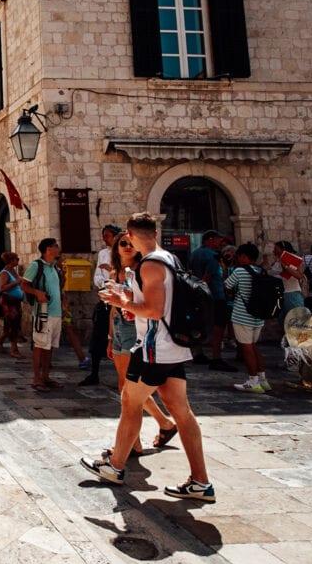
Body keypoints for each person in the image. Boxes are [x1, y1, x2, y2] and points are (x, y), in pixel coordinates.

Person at [81, 212, 215, 503]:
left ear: (129, 234)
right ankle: (200, 482)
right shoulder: (169, 258)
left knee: (130, 402)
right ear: (156, 231)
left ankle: (115, 466)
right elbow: (157, 307)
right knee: (181, 412)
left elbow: (154, 311)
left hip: (153, 349)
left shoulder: (151, 265)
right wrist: (130, 305)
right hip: (171, 348)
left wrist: (121, 301)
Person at [106, 231, 177, 453]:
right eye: (122, 244)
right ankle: (162, 425)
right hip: (119, 327)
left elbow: (148, 303)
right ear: (116, 248)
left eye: (130, 243)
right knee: (123, 385)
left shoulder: (141, 271)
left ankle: (132, 445)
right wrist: (110, 337)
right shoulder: (115, 272)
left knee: (129, 388)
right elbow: (113, 309)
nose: (127, 247)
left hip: (134, 327)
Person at [224, 243, 271, 394]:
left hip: (242, 314)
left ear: (244, 256)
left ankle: (253, 381)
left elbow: (227, 285)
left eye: (239, 256)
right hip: (258, 316)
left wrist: (225, 269)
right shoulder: (261, 271)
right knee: (254, 347)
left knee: (246, 349)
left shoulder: (240, 271)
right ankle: (263, 380)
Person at [187, 230, 237, 372]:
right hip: (214, 295)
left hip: (197, 294)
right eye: (217, 240)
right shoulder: (213, 256)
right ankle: (216, 358)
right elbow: (208, 277)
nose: (219, 243)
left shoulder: (195, 254)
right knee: (218, 327)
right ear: (209, 240)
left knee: (198, 324)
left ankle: (198, 353)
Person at [22, 238, 64, 392]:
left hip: (56, 312)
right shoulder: (36, 265)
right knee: (40, 345)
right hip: (43, 312)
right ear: (48, 249)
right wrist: (37, 293)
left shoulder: (54, 267)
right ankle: (36, 378)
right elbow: (24, 284)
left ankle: (45, 376)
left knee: (50, 346)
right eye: (55, 246)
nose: (58, 248)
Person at [84, 224, 122, 386]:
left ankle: (123, 375)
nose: (104, 238)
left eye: (107, 235)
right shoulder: (103, 254)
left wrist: (112, 271)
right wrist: (107, 281)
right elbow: (98, 277)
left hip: (121, 300)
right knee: (98, 337)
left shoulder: (123, 252)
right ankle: (94, 373)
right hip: (105, 299)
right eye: (103, 235)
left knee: (121, 338)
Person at [0, 251, 25, 358]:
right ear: (11, 260)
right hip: (9, 302)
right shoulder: (5, 273)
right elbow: (2, 288)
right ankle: (14, 349)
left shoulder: (13, 271)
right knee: (13, 324)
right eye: (17, 259)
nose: (18, 261)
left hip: (15, 301)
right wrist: (16, 282)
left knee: (10, 324)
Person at [269, 241, 307, 317]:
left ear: (283, 249)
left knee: (296, 320)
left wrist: (285, 266)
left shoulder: (295, 260)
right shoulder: (276, 261)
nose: (273, 251)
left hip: (291, 293)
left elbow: (299, 276)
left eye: (276, 249)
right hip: (279, 295)